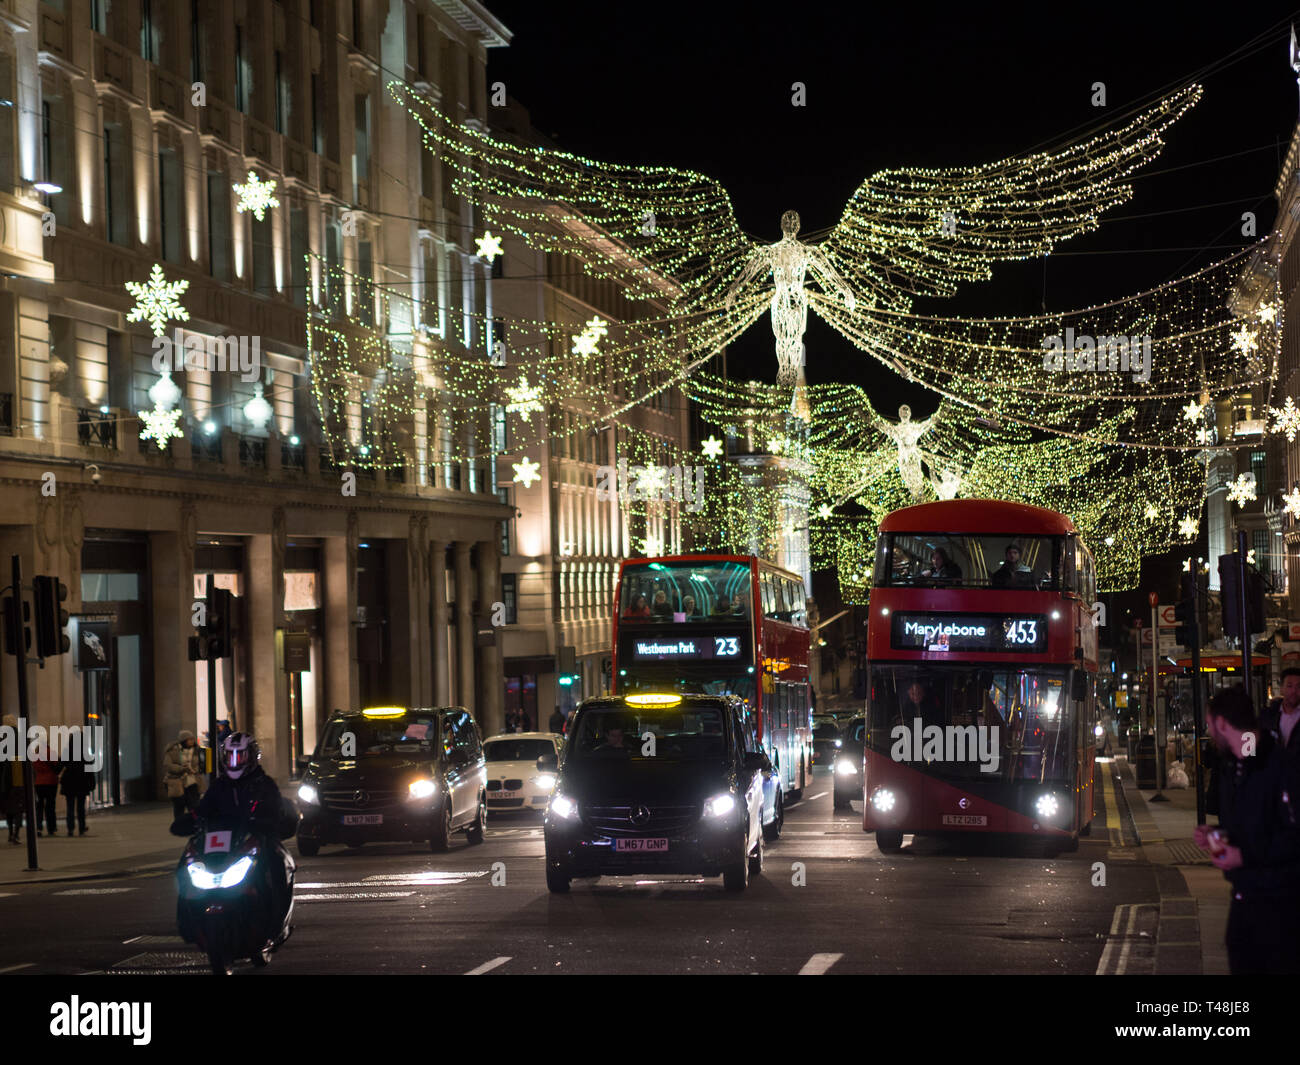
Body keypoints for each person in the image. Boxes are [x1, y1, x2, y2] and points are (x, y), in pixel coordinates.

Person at [1193, 685, 1300, 974]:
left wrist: (1245, 856)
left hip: (1279, 910)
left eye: (1210, 725)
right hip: (1244, 904)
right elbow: (1250, 826)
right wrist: (1219, 835)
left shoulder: (1280, 768)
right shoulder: (1236, 767)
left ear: (1222, 724)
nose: (1210, 734)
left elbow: (1293, 836)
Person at [177, 733, 299, 940]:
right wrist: (191, 819)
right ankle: (187, 921)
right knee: (185, 864)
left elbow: (275, 808)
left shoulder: (264, 783)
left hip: (256, 837)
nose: (235, 761)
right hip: (224, 841)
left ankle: (277, 921)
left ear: (250, 757)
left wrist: (268, 819)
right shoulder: (218, 785)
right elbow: (204, 809)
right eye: (231, 756)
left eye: (240, 756)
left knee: (277, 863)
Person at [1262, 666, 1300, 762]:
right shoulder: (1268, 715)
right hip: (1273, 772)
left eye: (1298, 686)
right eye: (1289, 686)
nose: (1294, 691)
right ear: (1282, 688)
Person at [59, 733, 94, 836]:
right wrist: (91, 782)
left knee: (70, 807)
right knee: (80, 807)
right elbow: (90, 768)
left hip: (69, 782)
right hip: (81, 782)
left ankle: (70, 829)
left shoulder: (67, 751)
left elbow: (60, 765)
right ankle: (81, 828)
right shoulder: (85, 752)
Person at [163, 730, 203, 820]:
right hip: (177, 783)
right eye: (189, 740)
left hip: (193, 782)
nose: (192, 741)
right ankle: (179, 824)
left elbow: (201, 764)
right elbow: (168, 765)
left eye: (192, 739)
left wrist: (196, 770)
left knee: (194, 806)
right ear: (183, 741)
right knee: (179, 806)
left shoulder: (197, 750)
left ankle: (194, 825)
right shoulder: (172, 750)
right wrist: (182, 769)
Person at [2, 716, 23, 844]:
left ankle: (10, 832)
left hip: (6, 780)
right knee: (19, 808)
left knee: (9, 807)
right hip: (18, 778)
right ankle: (16, 833)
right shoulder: (20, 739)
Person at [32, 755, 59, 837]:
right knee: (50, 806)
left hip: (39, 782)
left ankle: (38, 828)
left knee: (39, 807)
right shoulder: (51, 753)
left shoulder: (35, 755)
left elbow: (33, 767)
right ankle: (51, 829)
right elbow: (56, 767)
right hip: (51, 782)